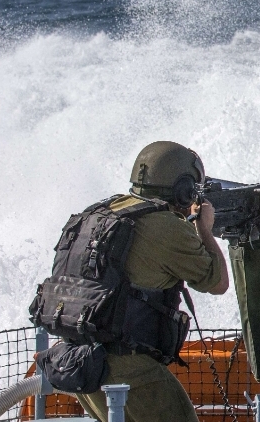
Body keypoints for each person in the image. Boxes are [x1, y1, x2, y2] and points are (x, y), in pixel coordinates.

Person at [74, 141, 228, 422]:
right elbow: (217, 283)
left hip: (82, 363)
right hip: (129, 370)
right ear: (182, 189)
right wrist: (203, 228)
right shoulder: (167, 227)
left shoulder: (102, 211)